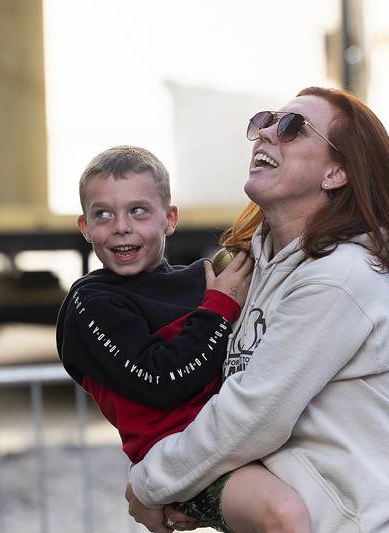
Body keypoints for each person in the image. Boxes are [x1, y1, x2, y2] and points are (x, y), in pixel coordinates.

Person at [126, 88, 389, 533]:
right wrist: (206, 498)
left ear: (336, 173)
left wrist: (149, 484)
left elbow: (251, 416)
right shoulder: (249, 271)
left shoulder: (340, 277)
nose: (266, 134)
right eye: (266, 121)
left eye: (294, 128)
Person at [56, 145, 312, 533]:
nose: (121, 225)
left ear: (169, 218)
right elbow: (159, 380)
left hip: (241, 437)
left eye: (138, 210)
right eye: (103, 214)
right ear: (85, 228)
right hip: (180, 456)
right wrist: (220, 308)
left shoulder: (204, 279)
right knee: (283, 515)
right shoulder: (90, 302)